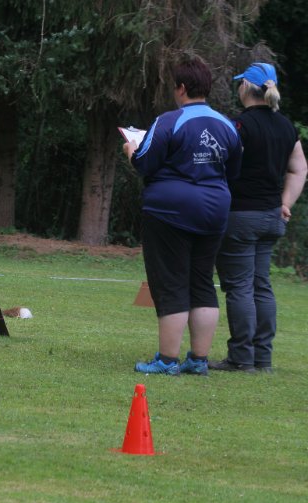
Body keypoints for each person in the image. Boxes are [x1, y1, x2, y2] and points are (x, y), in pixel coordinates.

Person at [122, 58, 242, 375]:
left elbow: (144, 163)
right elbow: (233, 172)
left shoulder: (169, 120)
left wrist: (130, 151)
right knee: (202, 282)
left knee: (171, 282)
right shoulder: (228, 125)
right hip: (215, 210)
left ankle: (167, 360)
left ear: (182, 88)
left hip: (170, 211)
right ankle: (199, 360)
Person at [211, 63, 307, 373]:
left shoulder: (239, 126)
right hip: (271, 217)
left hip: (241, 216)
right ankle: (262, 357)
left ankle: (241, 357)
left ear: (245, 88)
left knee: (240, 287)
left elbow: (220, 165)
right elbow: (300, 169)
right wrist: (285, 203)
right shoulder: (286, 127)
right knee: (261, 285)